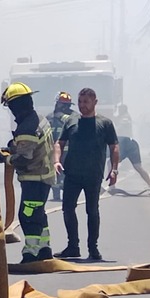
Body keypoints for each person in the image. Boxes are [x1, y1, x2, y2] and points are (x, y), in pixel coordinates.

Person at [56, 87, 122, 261]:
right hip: (72, 174)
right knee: (68, 209)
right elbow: (59, 143)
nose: (82, 105)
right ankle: (73, 246)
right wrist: (57, 160)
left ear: (95, 102)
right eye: (80, 102)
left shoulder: (104, 123)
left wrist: (114, 169)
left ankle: (93, 248)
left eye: (86, 102)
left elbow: (114, 147)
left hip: (94, 175)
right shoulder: (71, 121)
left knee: (92, 210)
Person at [0, 82, 55, 263]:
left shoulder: (26, 127)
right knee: (38, 212)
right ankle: (45, 248)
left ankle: (31, 252)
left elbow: (25, 158)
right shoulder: (37, 118)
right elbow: (31, 145)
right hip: (44, 176)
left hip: (34, 178)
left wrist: (3, 159)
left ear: (15, 106)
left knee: (27, 215)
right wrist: (12, 146)